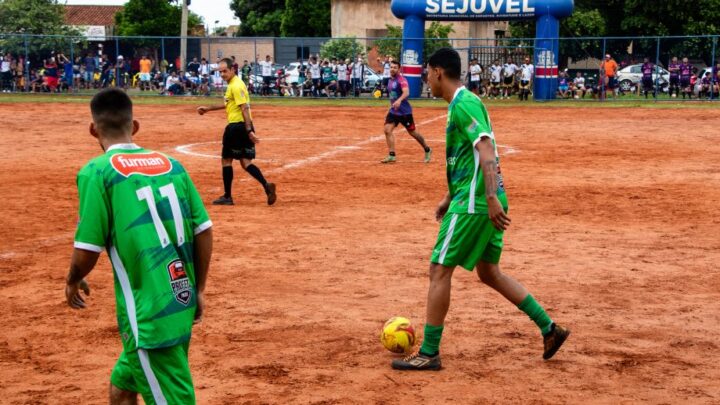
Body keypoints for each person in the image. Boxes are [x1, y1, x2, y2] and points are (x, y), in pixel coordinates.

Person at [391, 48, 569, 371]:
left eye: (427, 72)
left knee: (439, 270)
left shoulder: (464, 103)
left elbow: (486, 152)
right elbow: (469, 160)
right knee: (489, 272)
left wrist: (488, 198)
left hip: (475, 203)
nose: (425, 78)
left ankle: (429, 352)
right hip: (474, 197)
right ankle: (549, 328)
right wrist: (449, 195)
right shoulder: (459, 105)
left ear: (439, 72)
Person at [64, 88, 213, 404]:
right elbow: (203, 230)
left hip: (147, 316)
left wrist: (73, 279)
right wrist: (198, 289)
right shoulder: (173, 165)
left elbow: (87, 249)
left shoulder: (97, 172)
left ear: (93, 130)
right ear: (135, 126)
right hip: (180, 297)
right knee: (122, 387)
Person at [197, 58, 277, 206]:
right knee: (246, 162)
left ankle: (227, 196)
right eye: (220, 72)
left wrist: (249, 131)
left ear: (233, 69)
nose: (222, 74)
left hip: (236, 127)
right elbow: (229, 103)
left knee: (226, 160)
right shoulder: (233, 85)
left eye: (225, 71)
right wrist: (208, 109)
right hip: (243, 126)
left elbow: (244, 108)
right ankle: (266, 186)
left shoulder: (236, 86)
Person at [380, 60, 432, 164]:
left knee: (412, 132)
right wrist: (389, 109)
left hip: (404, 112)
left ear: (399, 69)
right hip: (394, 111)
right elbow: (393, 97)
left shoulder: (401, 80)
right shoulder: (390, 80)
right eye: (391, 67)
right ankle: (392, 155)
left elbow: (406, 92)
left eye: (395, 67)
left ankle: (427, 149)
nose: (392, 69)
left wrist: (399, 100)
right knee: (387, 130)